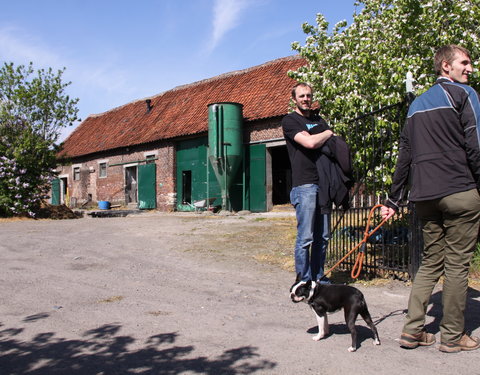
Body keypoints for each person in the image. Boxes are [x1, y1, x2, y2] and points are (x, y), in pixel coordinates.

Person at [381, 45, 480, 353]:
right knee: (456, 265)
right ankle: (452, 337)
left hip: (424, 197)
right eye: (464, 62)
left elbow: (404, 157)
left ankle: (412, 331)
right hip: (460, 191)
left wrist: (394, 199)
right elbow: (476, 145)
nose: (470, 68)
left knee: (429, 263)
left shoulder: (416, 105)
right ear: (445, 67)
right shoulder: (465, 94)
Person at [282, 82, 334, 283]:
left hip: (324, 184)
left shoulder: (319, 120)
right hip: (305, 185)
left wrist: (323, 135)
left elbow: (330, 144)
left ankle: (318, 279)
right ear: (294, 99)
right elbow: (310, 143)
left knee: (324, 237)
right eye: (302, 96)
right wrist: (327, 134)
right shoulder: (290, 121)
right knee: (306, 238)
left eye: (309, 96)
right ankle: (303, 281)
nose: (306, 99)